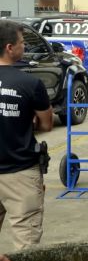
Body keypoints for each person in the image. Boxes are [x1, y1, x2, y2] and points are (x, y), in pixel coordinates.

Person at [0, 21, 53, 249]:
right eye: (22, 43)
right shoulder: (31, 84)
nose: (25, 47)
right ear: (10, 48)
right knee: (26, 248)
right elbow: (47, 124)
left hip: (18, 171)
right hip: (20, 173)